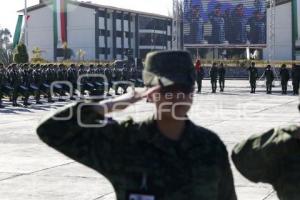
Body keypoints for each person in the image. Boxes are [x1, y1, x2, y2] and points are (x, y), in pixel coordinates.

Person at [36, 51, 237, 200]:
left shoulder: (210, 146)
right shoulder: (125, 142)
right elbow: (51, 129)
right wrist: (113, 104)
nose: (177, 96)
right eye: (167, 89)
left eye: (184, 88)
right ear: (149, 93)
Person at [232, 93, 300, 200]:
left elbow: (240, 154)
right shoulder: (289, 147)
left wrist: (283, 135)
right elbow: (240, 155)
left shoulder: (287, 148)